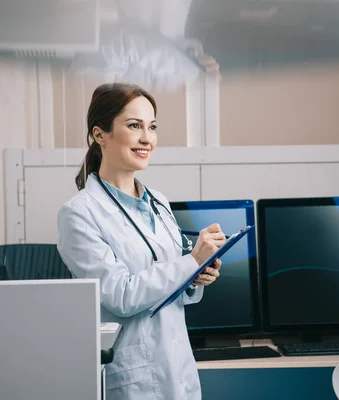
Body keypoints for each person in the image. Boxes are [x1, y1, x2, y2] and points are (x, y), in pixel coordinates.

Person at [56, 82, 226, 400]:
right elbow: (121, 296)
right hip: (134, 379)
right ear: (100, 134)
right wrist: (189, 262)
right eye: (134, 126)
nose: (147, 138)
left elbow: (170, 288)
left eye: (152, 126)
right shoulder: (78, 214)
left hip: (179, 371)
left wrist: (196, 276)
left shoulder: (158, 202)